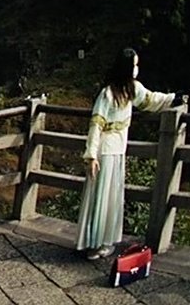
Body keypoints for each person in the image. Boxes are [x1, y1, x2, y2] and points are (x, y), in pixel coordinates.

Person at [77, 47, 180, 259]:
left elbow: (151, 100)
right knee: (101, 199)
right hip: (105, 152)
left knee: (110, 198)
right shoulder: (107, 94)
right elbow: (96, 125)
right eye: (134, 64)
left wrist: (174, 98)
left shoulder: (132, 90)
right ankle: (96, 243)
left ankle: (102, 242)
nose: (136, 68)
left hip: (117, 152)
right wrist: (91, 155)